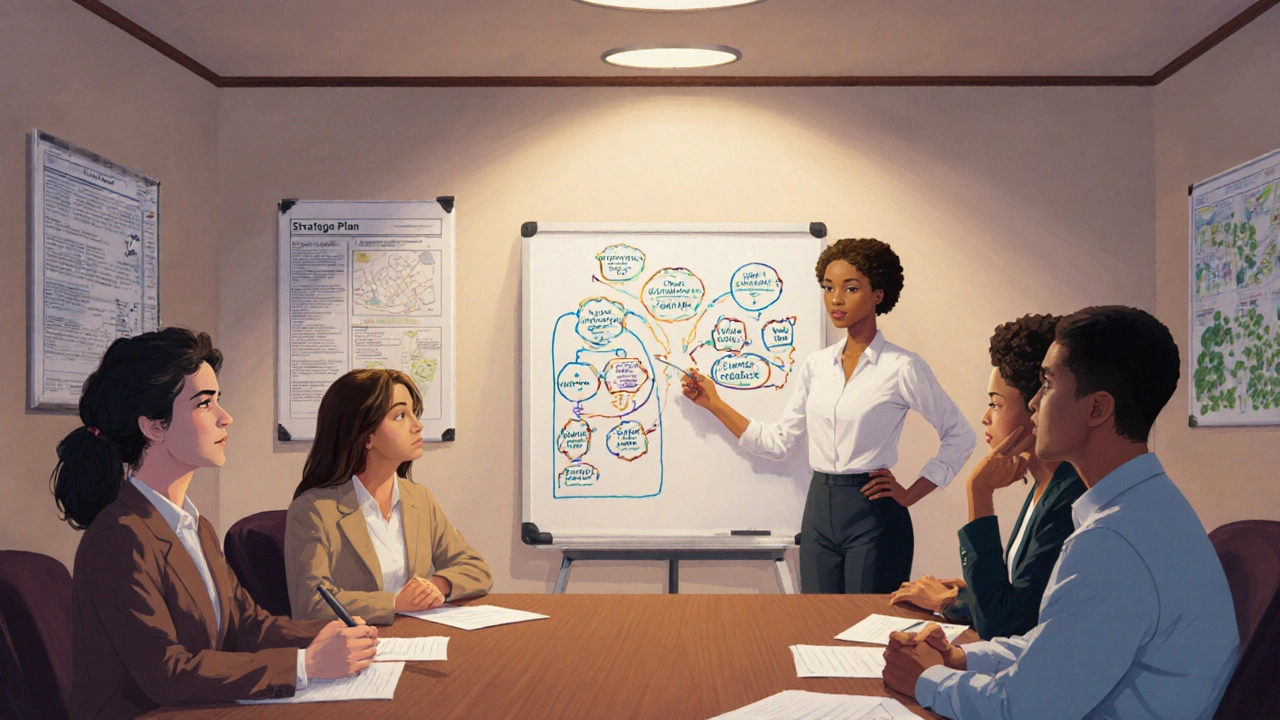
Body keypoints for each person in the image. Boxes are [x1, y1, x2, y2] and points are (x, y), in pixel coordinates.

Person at [882, 306, 1239, 720]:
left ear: (1097, 409)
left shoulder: (1113, 543)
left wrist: (926, 679)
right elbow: (1056, 646)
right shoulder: (1152, 507)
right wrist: (962, 658)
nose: (1034, 402)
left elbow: (1022, 707)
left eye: (1047, 384)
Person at [52, 328, 377, 719]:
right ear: (154, 427)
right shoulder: (119, 537)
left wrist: (324, 633)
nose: (226, 417)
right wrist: (305, 666)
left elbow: (247, 626)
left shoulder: (194, 525)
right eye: (205, 404)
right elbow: (166, 673)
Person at [682, 237, 976, 593]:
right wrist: (713, 403)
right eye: (828, 288)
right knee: (818, 626)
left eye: (850, 288)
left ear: (878, 295)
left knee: (867, 629)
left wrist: (911, 493)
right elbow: (777, 443)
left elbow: (961, 435)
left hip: (873, 514)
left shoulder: (902, 367)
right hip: (819, 509)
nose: (836, 299)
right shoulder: (816, 366)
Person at [889, 314, 1086, 640]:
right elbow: (1019, 598)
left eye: (995, 404)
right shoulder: (1046, 485)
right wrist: (953, 599)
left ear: (1037, 407)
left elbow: (1006, 623)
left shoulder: (1069, 496)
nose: (985, 418)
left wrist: (979, 491)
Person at [286, 368, 492, 625]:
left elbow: (476, 568)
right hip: (351, 650)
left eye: (413, 414)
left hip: (415, 638)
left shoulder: (418, 498)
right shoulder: (313, 510)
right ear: (366, 435)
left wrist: (436, 585)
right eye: (400, 416)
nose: (417, 426)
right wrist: (395, 603)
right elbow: (311, 604)